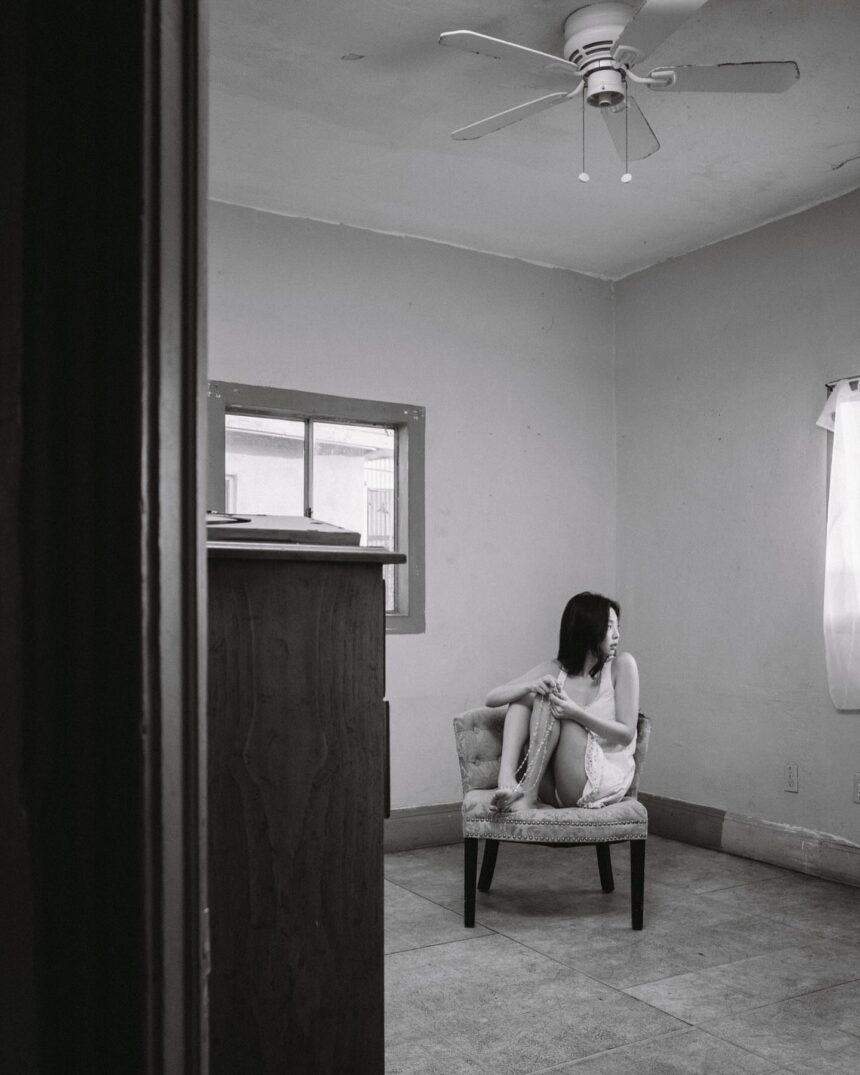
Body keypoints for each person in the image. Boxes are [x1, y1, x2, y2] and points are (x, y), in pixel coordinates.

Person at [486, 592, 639, 813]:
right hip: (556, 784)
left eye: (617, 626)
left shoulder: (622, 665)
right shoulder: (557, 669)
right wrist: (530, 686)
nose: (617, 635)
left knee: (549, 699)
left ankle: (527, 796)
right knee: (526, 697)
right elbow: (492, 698)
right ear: (587, 629)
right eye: (609, 627)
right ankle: (507, 780)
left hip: (596, 782)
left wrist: (575, 712)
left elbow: (626, 734)